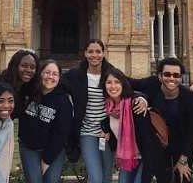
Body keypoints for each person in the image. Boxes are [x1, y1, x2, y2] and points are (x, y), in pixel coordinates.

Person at [62, 39, 147, 183]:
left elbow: (130, 86)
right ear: (85, 54)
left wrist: (142, 98)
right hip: (87, 132)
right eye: (90, 51)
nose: (94, 55)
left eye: (98, 52)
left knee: (106, 176)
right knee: (96, 177)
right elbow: (56, 85)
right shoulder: (75, 75)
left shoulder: (110, 74)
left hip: (107, 133)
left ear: (103, 53)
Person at [129, 57, 193, 183]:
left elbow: (192, 130)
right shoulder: (152, 85)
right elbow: (126, 83)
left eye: (176, 75)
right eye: (167, 74)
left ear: (181, 77)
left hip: (181, 147)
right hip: (158, 145)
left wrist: (183, 160)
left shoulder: (188, 97)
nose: (172, 78)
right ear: (160, 76)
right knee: (163, 178)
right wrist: (141, 97)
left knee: (182, 178)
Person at [101, 67, 167, 183]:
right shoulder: (109, 107)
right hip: (129, 157)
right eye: (109, 82)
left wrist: (146, 175)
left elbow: (148, 142)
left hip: (147, 157)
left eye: (117, 82)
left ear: (123, 84)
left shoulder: (136, 105)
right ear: (104, 85)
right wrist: (107, 134)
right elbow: (117, 137)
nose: (113, 86)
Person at [18, 59, 73, 183]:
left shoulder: (63, 101)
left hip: (54, 149)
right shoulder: (28, 91)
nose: (50, 77)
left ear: (59, 78)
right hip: (29, 147)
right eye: (47, 72)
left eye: (55, 74)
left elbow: (62, 133)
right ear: (40, 73)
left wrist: (47, 160)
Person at [0, 48, 39, 117]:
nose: (29, 70)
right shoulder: (1, 85)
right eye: (24, 66)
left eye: (32, 67)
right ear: (15, 66)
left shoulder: (30, 88)